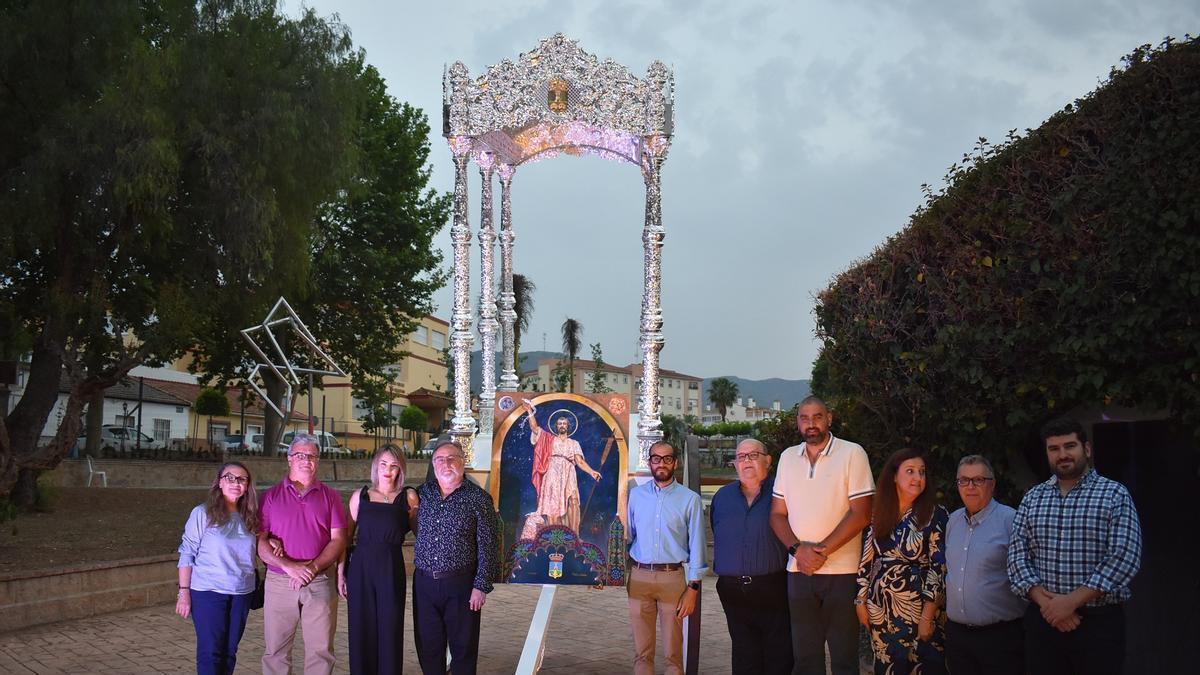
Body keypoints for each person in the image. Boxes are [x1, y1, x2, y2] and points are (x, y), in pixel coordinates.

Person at [1008, 418, 1142, 675]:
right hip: (1043, 621)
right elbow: (1016, 556)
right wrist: (1048, 605)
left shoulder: (1114, 494)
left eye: (1070, 446)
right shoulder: (1033, 497)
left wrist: (1070, 602)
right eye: (1054, 448)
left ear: (1087, 449)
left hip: (1097, 625)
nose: (1062, 455)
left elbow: (1124, 557)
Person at [770, 396, 875, 675]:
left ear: (829, 418)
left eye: (817, 417)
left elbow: (862, 514)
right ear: (798, 422)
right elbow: (777, 514)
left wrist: (820, 552)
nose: (811, 424)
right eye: (804, 418)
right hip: (798, 572)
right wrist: (797, 551)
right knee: (805, 660)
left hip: (842, 573)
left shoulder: (853, 453)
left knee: (843, 658)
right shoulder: (788, 458)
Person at [257, 434, 349, 675]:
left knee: (320, 653)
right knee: (276, 652)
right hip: (279, 583)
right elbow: (261, 543)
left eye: (311, 456)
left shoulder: (331, 497)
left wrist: (313, 568)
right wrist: (289, 567)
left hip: (319, 582)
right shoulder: (269, 497)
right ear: (289, 459)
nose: (306, 460)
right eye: (300, 455)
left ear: (318, 461)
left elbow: (339, 539)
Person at [855, 448, 949, 674]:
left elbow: (939, 568)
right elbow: (867, 560)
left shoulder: (937, 515)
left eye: (922, 472)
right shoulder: (878, 513)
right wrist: (860, 601)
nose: (918, 478)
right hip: (881, 612)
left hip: (921, 613)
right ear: (894, 476)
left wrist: (928, 616)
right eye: (910, 471)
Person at [412, 441, 499, 675]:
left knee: (463, 648)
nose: (446, 464)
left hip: (461, 585)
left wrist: (481, 586)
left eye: (452, 458)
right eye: (440, 459)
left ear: (463, 462)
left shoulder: (479, 498)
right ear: (433, 464)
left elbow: (489, 546)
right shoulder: (422, 494)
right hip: (424, 584)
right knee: (428, 646)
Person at [710, 439, 792, 675]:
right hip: (733, 591)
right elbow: (718, 531)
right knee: (744, 656)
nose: (746, 461)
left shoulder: (782, 493)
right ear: (735, 464)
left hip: (773, 588)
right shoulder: (722, 497)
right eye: (741, 456)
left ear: (768, 460)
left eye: (753, 455)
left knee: (779, 657)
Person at [626, 441, 707, 675]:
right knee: (642, 653)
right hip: (639, 577)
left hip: (673, 580)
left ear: (675, 462)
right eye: (656, 458)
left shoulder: (689, 499)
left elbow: (697, 546)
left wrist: (693, 588)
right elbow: (629, 536)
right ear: (650, 462)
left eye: (667, 459)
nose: (661, 463)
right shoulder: (636, 496)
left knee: (673, 655)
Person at [339, 444, 420, 674]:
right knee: (361, 628)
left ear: (400, 470)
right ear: (376, 466)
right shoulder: (360, 497)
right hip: (361, 570)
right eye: (383, 464)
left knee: (390, 628)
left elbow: (422, 536)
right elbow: (345, 538)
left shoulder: (409, 497)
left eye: (394, 465)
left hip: (390, 569)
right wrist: (340, 572)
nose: (388, 470)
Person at [944, 455, 1026, 675]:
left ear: (992, 483)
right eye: (963, 480)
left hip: (1000, 638)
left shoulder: (1012, 521)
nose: (970, 487)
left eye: (978, 480)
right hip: (958, 638)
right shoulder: (952, 521)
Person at [176, 461, 259, 675]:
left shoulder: (250, 516)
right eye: (230, 478)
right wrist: (184, 593)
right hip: (208, 592)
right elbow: (187, 552)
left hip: (241, 593)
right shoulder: (203, 513)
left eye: (241, 479)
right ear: (219, 483)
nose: (236, 483)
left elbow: (259, 547)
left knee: (230, 652)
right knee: (211, 652)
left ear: (248, 486)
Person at [522, 399, 602, 534]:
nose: (562, 425)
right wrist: (530, 412)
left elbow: (579, 461)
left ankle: (574, 534)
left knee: (574, 500)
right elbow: (535, 429)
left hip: (568, 471)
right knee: (552, 502)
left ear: (568, 426)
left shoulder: (574, 443)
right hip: (552, 472)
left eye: (564, 423)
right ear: (556, 426)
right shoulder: (550, 439)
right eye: (560, 423)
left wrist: (592, 472)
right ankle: (553, 534)